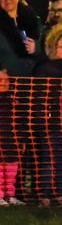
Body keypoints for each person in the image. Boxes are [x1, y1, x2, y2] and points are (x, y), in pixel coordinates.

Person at [32, 24, 62, 207]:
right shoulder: (44, 70)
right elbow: (39, 99)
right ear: (52, 46)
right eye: (60, 46)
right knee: (50, 158)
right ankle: (44, 193)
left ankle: (60, 192)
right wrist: (43, 120)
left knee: (61, 159)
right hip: (49, 122)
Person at [0, 0, 42, 76]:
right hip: (6, 81)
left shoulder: (32, 19)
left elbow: (46, 46)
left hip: (33, 79)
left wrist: (36, 47)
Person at [0, 62, 25, 206]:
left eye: (6, 80)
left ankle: (10, 195)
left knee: (11, 170)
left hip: (12, 142)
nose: (4, 83)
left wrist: (22, 140)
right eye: (0, 81)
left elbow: (20, 122)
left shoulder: (14, 101)